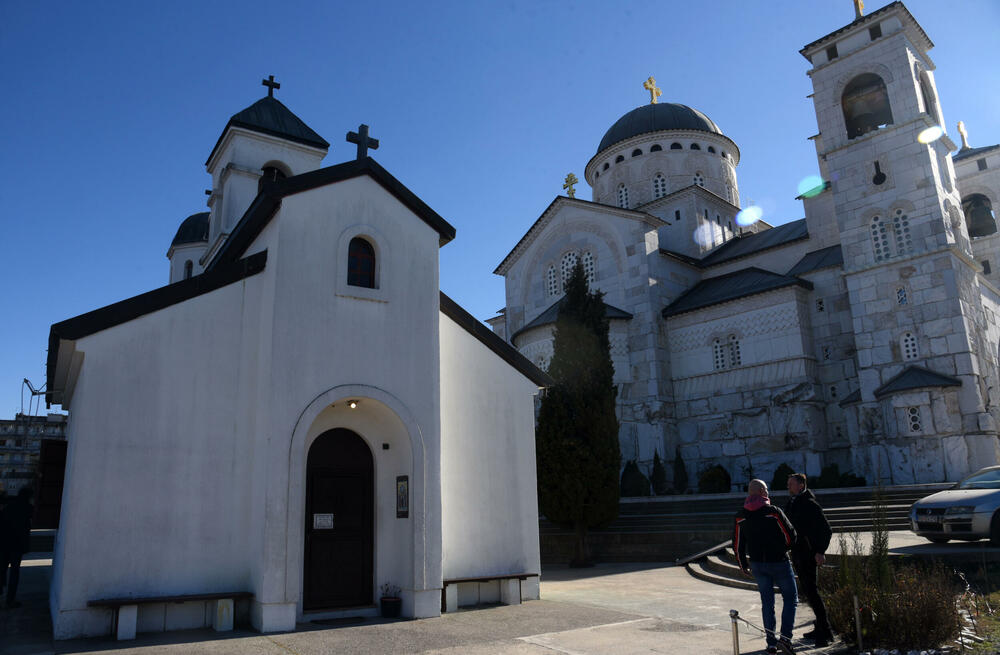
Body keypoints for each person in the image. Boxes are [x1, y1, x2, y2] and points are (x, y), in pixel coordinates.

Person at [733, 479, 797, 655]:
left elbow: (737, 543)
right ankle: (785, 639)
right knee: (791, 599)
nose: (768, 493)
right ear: (761, 491)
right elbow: (791, 535)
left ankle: (771, 643)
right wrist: (782, 550)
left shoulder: (741, 516)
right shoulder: (773, 512)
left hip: (758, 565)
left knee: (767, 603)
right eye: (766, 490)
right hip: (779, 562)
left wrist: (742, 564)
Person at [785, 473, 833, 646]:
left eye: (791, 484)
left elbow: (826, 530)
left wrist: (820, 551)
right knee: (808, 591)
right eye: (788, 484)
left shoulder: (809, 504)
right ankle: (820, 626)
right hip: (797, 552)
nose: (788, 487)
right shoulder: (793, 502)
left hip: (808, 553)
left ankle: (825, 632)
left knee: (812, 592)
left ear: (801, 485)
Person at [0, 486, 34, 609]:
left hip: (4, 543)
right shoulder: (28, 508)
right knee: (14, 572)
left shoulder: (8, 507)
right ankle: (10, 600)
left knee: (1, 569)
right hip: (17, 545)